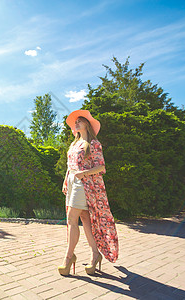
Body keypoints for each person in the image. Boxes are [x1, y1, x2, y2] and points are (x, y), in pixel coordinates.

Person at [58, 110, 119, 276]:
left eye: (79, 121)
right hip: (72, 182)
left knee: (71, 218)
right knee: (85, 219)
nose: (76, 124)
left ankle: (69, 257)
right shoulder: (74, 144)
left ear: (87, 124)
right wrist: (66, 180)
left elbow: (101, 167)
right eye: (75, 122)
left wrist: (83, 174)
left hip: (84, 183)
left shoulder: (93, 144)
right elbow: (70, 165)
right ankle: (95, 254)